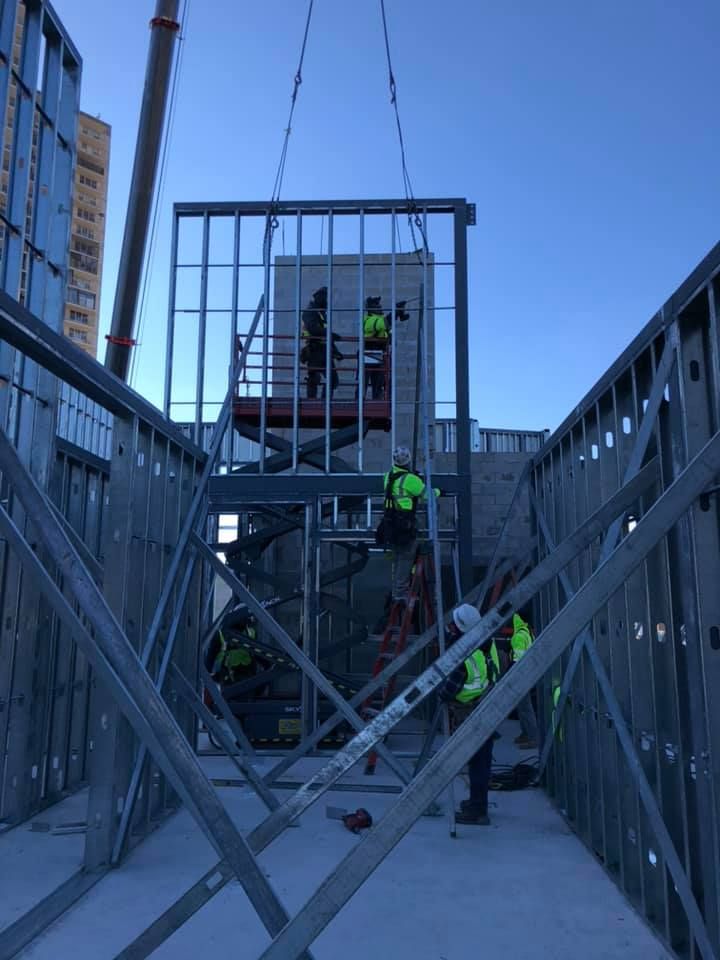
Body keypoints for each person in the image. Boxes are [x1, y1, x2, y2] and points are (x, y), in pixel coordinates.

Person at [440, 603, 500, 825]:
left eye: (453, 624)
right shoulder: (487, 642)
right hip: (489, 704)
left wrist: (440, 694)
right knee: (481, 761)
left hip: (472, 711)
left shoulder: (463, 654)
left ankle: (478, 810)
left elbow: (450, 689)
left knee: (477, 763)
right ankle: (477, 803)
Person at [379, 445, 439, 601]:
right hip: (404, 524)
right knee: (406, 556)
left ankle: (397, 590)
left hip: (390, 523)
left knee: (398, 557)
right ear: (409, 461)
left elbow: (401, 487)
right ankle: (401, 592)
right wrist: (439, 492)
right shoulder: (411, 480)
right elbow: (427, 495)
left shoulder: (387, 476)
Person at [300, 286, 343, 399]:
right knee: (314, 378)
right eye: (325, 298)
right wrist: (330, 334)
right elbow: (313, 329)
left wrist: (336, 351)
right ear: (319, 298)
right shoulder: (310, 312)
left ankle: (325, 401)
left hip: (325, 351)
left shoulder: (321, 314)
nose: (327, 301)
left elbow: (326, 335)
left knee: (333, 380)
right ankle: (311, 402)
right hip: (314, 350)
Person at [510, 612, 539, 749]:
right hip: (528, 674)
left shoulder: (519, 636)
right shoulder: (527, 632)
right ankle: (526, 733)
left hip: (521, 676)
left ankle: (532, 737)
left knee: (525, 708)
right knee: (522, 707)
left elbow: (518, 660)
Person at [362, 295, 389, 400]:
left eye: (379, 304)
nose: (380, 306)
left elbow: (387, 331)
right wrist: (395, 313)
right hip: (368, 353)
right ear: (371, 308)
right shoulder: (369, 320)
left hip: (378, 353)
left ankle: (377, 400)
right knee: (364, 381)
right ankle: (359, 400)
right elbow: (382, 325)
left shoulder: (379, 319)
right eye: (376, 305)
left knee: (378, 382)